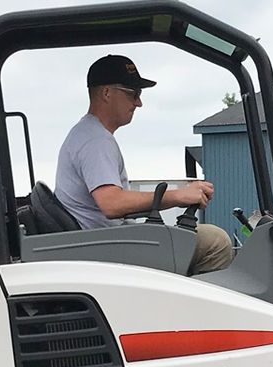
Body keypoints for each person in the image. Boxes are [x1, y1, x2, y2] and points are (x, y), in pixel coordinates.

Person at [54, 54, 235, 274]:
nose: (139, 103)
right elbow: (111, 204)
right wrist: (177, 196)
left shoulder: (87, 134)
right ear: (107, 93)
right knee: (216, 242)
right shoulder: (95, 140)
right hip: (106, 251)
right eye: (133, 94)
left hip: (102, 243)